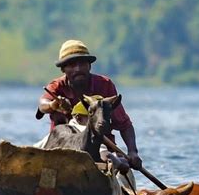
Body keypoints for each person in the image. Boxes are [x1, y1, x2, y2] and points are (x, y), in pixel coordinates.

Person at [36, 39, 142, 170]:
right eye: (72, 65)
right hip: (62, 148)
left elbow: (124, 124)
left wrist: (132, 152)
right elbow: (42, 105)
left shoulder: (104, 85)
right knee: (34, 153)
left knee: (108, 155)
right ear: (63, 69)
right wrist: (53, 105)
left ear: (89, 66)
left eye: (82, 64)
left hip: (100, 148)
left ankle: (114, 163)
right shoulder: (57, 86)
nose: (78, 69)